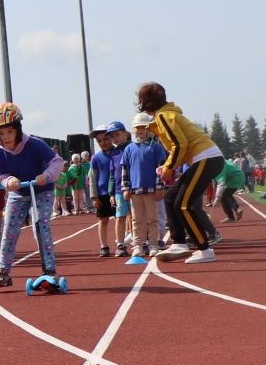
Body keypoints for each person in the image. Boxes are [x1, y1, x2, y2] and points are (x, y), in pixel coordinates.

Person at [139, 81, 223, 265]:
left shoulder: (163, 116)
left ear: (147, 103)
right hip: (205, 159)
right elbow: (182, 147)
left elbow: (180, 144)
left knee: (184, 205)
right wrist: (168, 166)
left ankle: (205, 250)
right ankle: (179, 243)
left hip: (206, 158)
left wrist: (168, 169)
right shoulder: (168, 114)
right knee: (170, 198)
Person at [0, 103, 64, 289]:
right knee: (9, 230)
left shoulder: (34, 144)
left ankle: (50, 270)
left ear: (18, 129)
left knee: (41, 225)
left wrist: (46, 176)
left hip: (41, 190)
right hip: (18, 192)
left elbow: (56, 161)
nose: (5, 137)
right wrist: (9, 181)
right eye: (1, 133)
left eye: (10, 132)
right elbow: (1, 175)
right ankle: (3, 271)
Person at [119, 113, 166, 259]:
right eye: (138, 127)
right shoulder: (129, 148)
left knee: (152, 218)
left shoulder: (156, 148)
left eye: (143, 127)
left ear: (149, 129)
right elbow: (124, 170)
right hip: (135, 190)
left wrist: (159, 187)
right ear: (133, 129)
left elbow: (160, 168)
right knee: (137, 220)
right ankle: (138, 245)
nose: (140, 130)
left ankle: (153, 245)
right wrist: (125, 188)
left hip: (151, 189)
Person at [89, 122, 128, 257]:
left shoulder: (119, 152)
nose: (103, 142)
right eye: (99, 141)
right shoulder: (96, 158)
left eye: (105, 139)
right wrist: (94, 196)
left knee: (120, 217)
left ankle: (120, 243)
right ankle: (104, 245)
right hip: (102, 194)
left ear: (110, 137)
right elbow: (92, 178)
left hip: (118, 191)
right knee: (103, 220)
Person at [216, 156, 246, 223]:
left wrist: (217, 197)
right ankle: (237, 209)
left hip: (235, 179)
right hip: (240, 177)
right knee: (227, 195)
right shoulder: (225, 161)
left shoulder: (220, 167)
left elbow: (221, 183)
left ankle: (231, 217)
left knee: (223, 197)